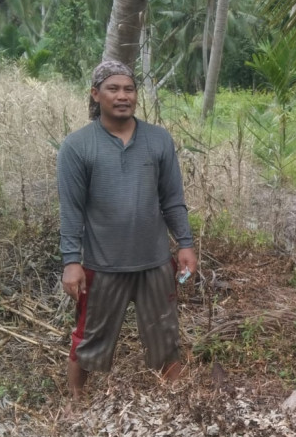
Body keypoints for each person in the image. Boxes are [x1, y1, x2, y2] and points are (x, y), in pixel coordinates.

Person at [57, 60, 197, 402]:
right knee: (89, 338)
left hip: (154, 262)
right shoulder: (78, 146)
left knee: (165, 336)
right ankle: (76, 404)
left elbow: (172, 199)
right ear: (96, 94)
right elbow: (71, 210)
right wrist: (71, 262)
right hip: (103, 265)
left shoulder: (158, 140)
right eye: (113, 89)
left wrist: (185, 244)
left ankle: (177, 404)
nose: (123, 96)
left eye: (129, 89)